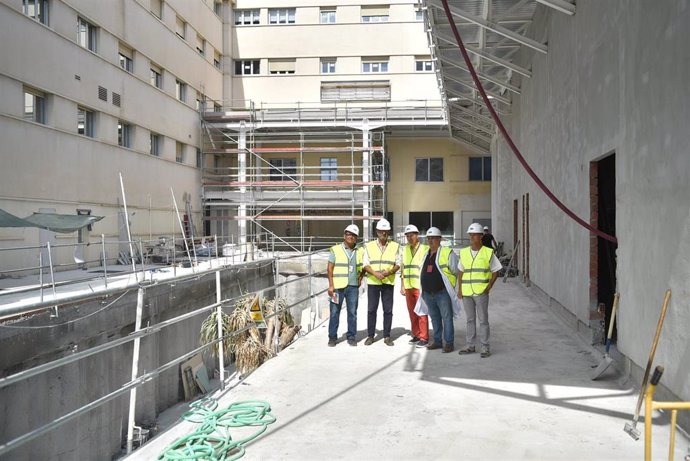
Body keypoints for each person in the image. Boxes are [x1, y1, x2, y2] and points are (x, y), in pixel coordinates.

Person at [414, 227, 461, 353]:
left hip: (442, 292)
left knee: (447, 317)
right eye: (429, 238)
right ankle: (438, 341)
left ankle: (449, 343)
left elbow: (456, 270)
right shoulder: (426, 254)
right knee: (434, 318)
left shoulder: (448, 253)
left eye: (433, 238)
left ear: (439, 239)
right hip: (428, 293)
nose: (430, 240)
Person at [458, 223, 502, 358]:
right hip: (467, 292)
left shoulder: (488, 252)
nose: (472, 237)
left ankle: (485, 347)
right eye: (470, 235)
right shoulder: (464, 252)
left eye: (474, 235)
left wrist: (488, 288)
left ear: (481, 236)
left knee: (483, 320)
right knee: (470, 320)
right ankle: (470, 345)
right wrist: (460, 289)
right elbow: (461, 271)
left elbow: (496, 271)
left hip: (481, 291)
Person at [363, 219, 400, 346]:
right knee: (372, 310)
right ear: (377, 232)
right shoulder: (369, 246)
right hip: (373, 282)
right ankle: (370, 335)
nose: (383, 233)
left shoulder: (395, 246)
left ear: (388, 232)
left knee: (388, 310)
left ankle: (387, 336)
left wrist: (389, 272)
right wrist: (375, 273)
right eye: (381, 231)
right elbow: (365, 264)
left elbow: (398, 264)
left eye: (385, 231)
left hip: (388, 282)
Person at [326, 224, 364, 347]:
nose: (350, 237)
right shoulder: (335, 249)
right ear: (344, 235)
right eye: (348, 234)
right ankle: (332, 337)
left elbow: (363, 267)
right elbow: (329, 268)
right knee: (334, 312)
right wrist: (331, 286)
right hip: (337, 287)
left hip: (353, 287)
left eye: (353, 235)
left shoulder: (360, 251)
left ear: (356, 238)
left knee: (352, 312)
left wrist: (360, 277)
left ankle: (351, 336)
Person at [399, 224, 430, 347]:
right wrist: (402, 285)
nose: (409, 238)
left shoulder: (424, 249)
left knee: (422, 311)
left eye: (411, 235)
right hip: (408, 285)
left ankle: (424, 336)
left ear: (417, 235)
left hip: (419, 285)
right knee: (412, 312)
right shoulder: (405, 249)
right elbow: (403, 268)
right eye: (407, 236)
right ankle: (416, 334)